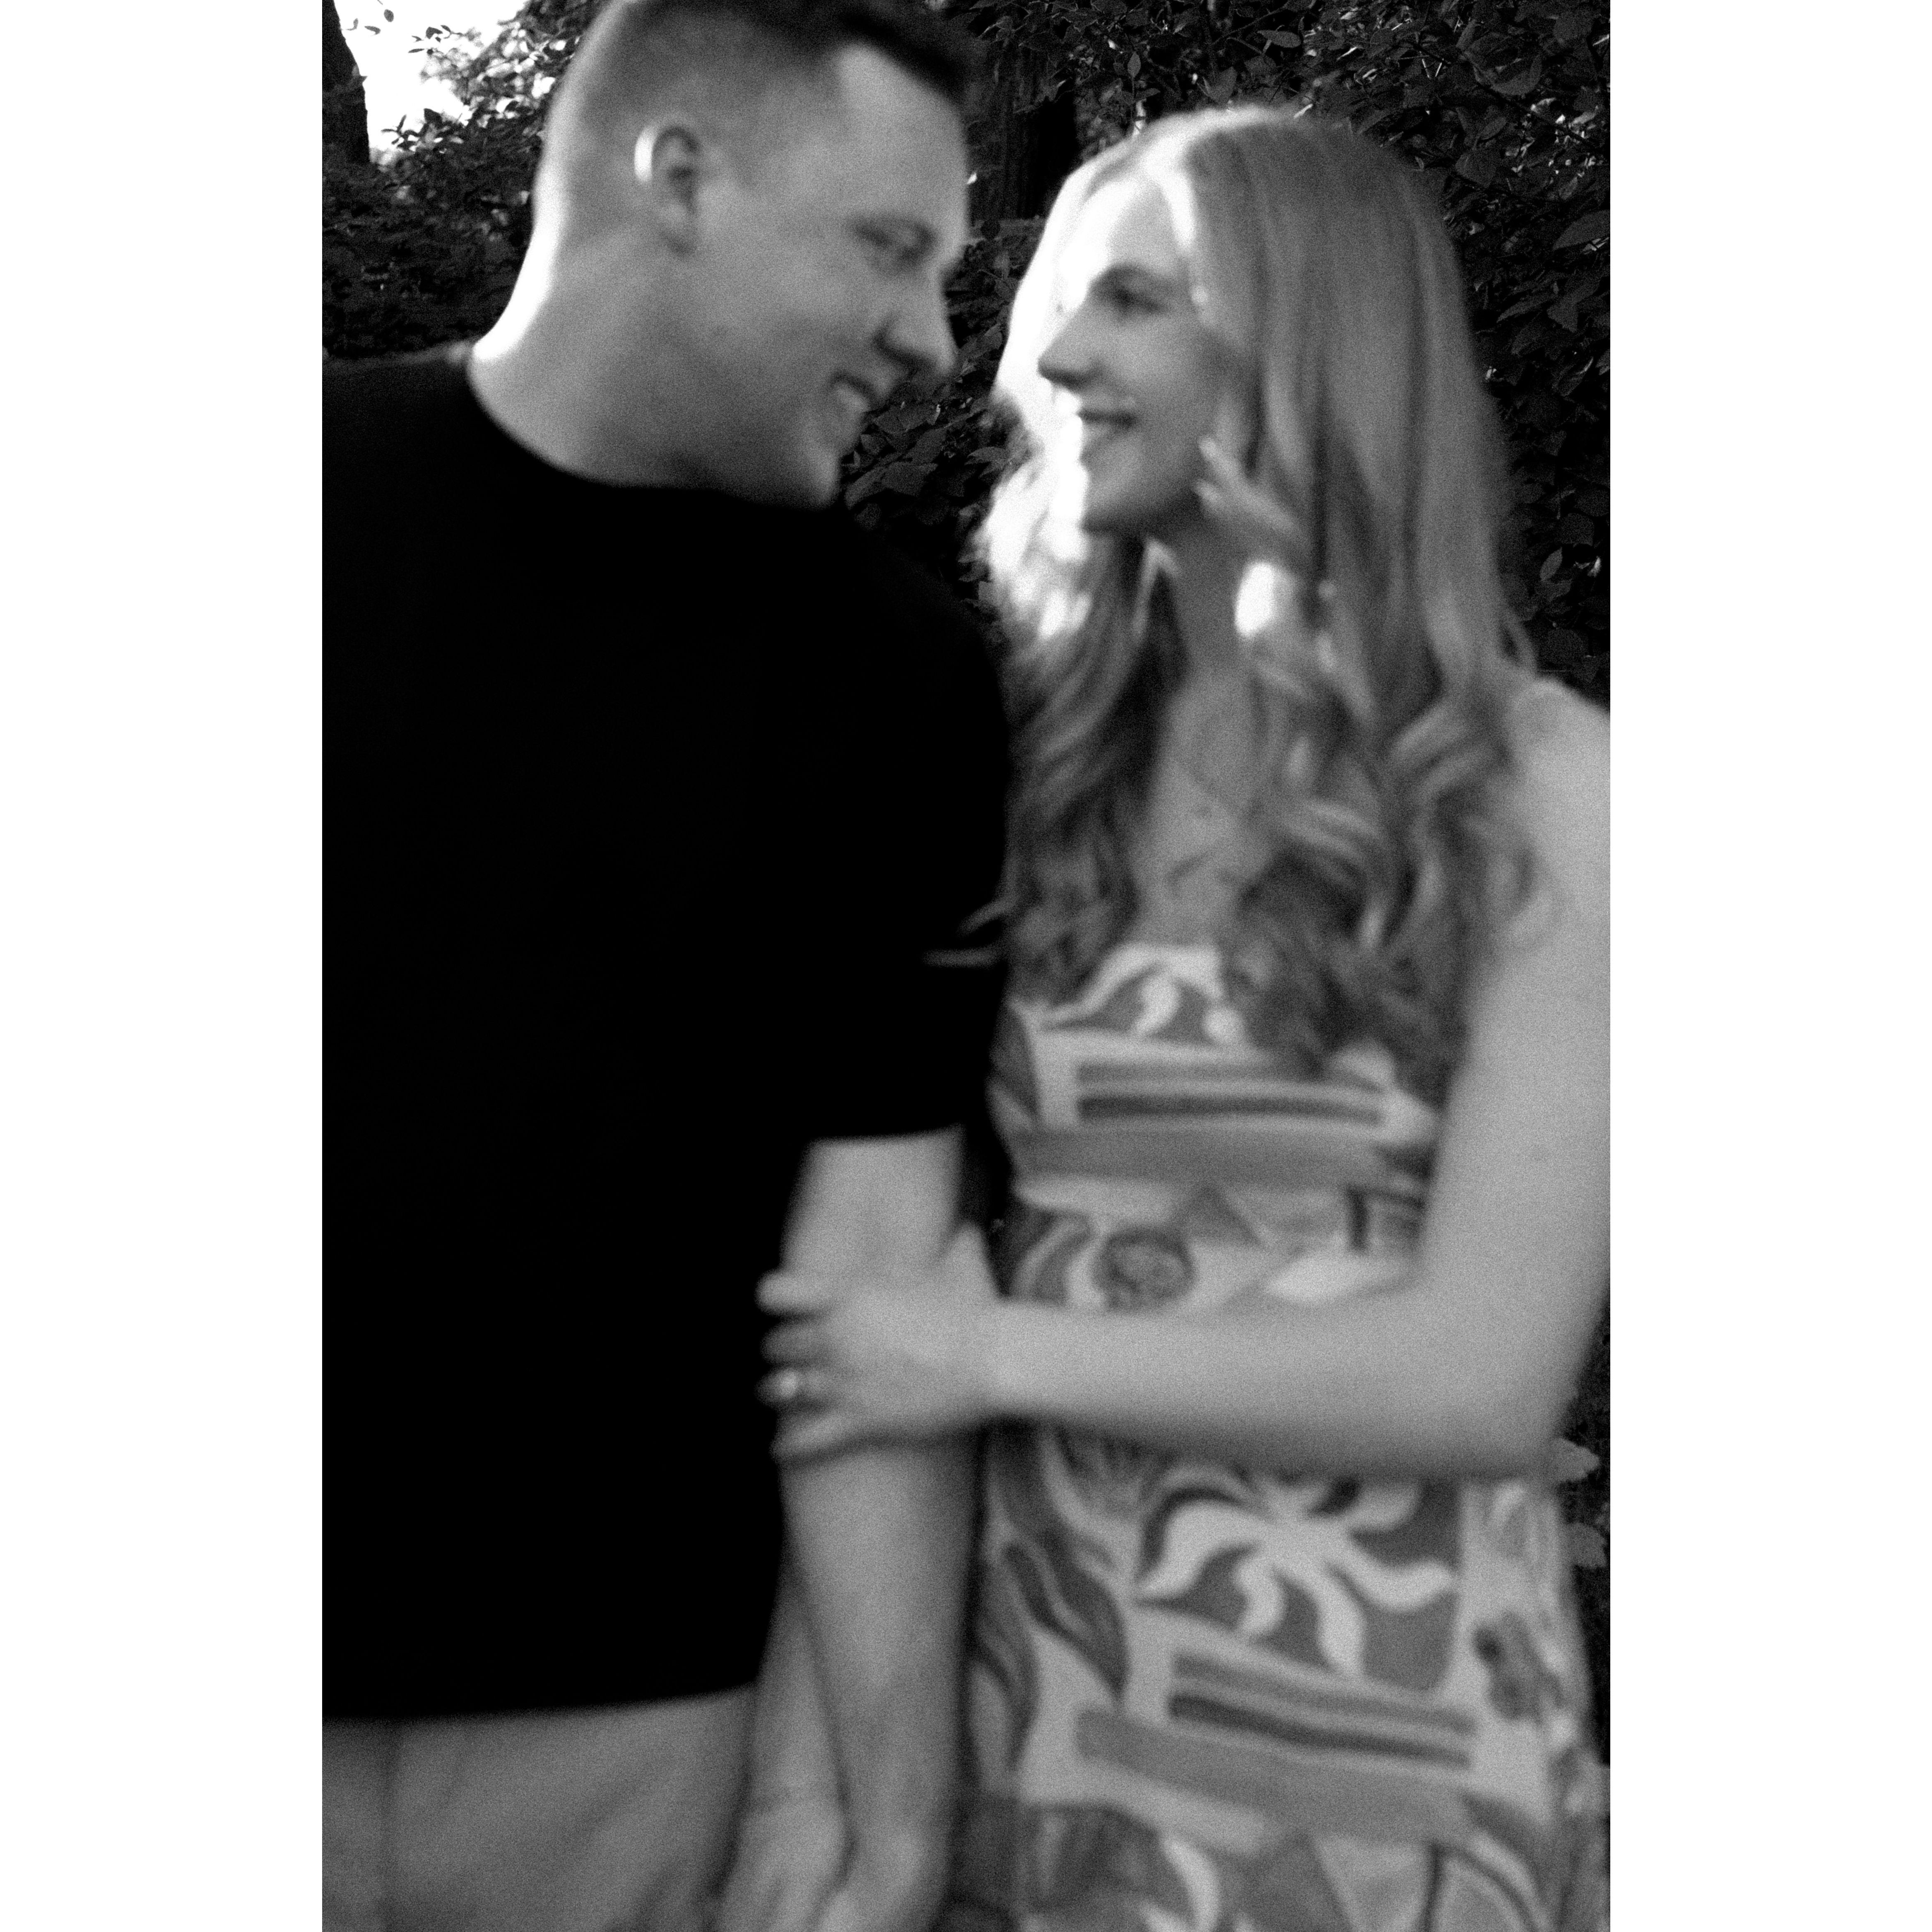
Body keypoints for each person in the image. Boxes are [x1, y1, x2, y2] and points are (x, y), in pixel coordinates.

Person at [756, 106, 1610, 1931]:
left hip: (1384, 1774)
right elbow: (874, 1303)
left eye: (1133, 302)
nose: (1052, 356)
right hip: (1037, 1720)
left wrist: (988, 1355)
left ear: (1308, 345)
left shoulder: (1543, 792)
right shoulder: (1024, 774)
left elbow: (1483, 1374)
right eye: (1063, 305)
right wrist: (815, 1799)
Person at [323, 5, 1006, 1930]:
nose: (934, 340)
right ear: (680, 177)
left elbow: (870, 1272)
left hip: (645, 1750)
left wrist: (885, 1818)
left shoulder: (899, 677)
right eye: (889, 250)